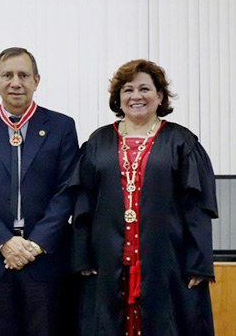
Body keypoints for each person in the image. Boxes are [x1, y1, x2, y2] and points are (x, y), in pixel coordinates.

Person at [71, 59, 217, 335]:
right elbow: (83, 204)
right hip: (108, 261)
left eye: (144, 89)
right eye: (127, 90)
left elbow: (196, 208)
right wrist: (82, 256)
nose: (136, 96)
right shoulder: (98, 142)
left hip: (167, 261)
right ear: (118, 98)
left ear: (159, 96)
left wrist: (199, 262)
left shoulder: (181, 142)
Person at [0, 47, 79, 335]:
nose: (16, 82)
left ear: (37, 80)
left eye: (24, 75)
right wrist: (5, 242)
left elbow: (67, 191)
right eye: (8, 75)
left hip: (44, 258)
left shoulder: (61, 126)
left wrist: (35, 245)